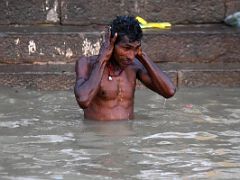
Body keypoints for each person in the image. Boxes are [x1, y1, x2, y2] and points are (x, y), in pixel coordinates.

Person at [74, 16, 176, 120]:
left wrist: (142, 55)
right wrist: (102, 58)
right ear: (111, 43)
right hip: (97, 135)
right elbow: (83, 100)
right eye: (126, 48)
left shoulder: (134, 66)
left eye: (135, 48)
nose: (131, 56)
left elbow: (169, 91)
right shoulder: (86, 63)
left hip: (129, 135)